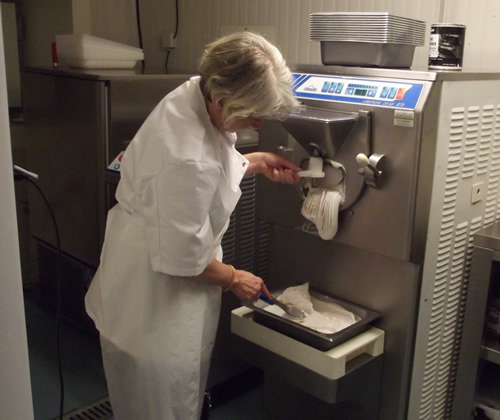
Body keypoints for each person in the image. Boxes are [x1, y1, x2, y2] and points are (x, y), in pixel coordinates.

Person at [85, 31, 300, 419]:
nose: (258, 121)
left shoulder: (196, 92)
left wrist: (255, 161)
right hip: (155, 297)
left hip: (149, 267)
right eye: (253, 113)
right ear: (222, 100)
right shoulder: (187, 160)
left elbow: (208, 158)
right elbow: (186, 259)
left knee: (162, 394)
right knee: (162, 403)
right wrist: (235, 277)